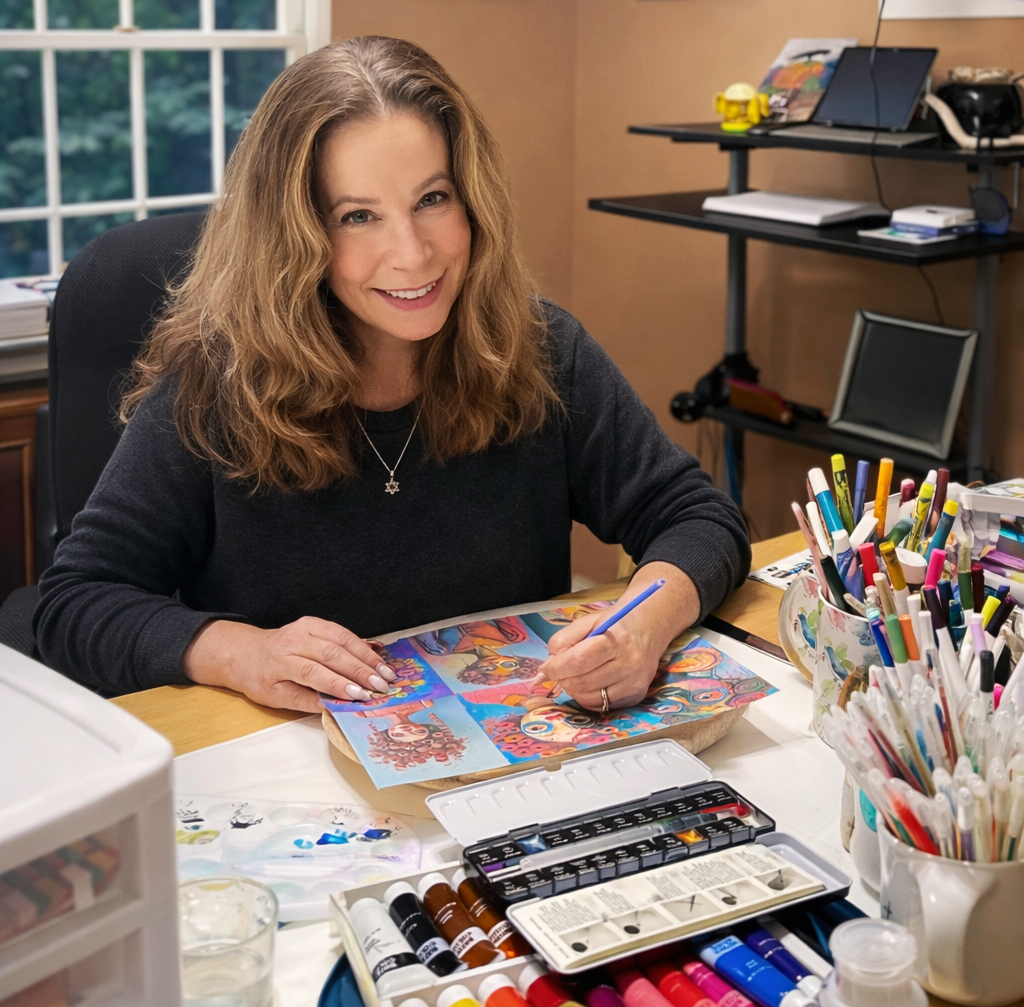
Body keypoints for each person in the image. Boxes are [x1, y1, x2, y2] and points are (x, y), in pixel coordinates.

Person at [35, 37, 749, 712]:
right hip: (290, 769)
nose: (411, 254)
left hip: (514, 761)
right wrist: (239, 654)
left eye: (432, 200)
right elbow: (76, 600)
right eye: (357, 216)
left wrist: (642, 624)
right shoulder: (218, 382)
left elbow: (695, 515)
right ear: (295, 236)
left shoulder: (540, 348)